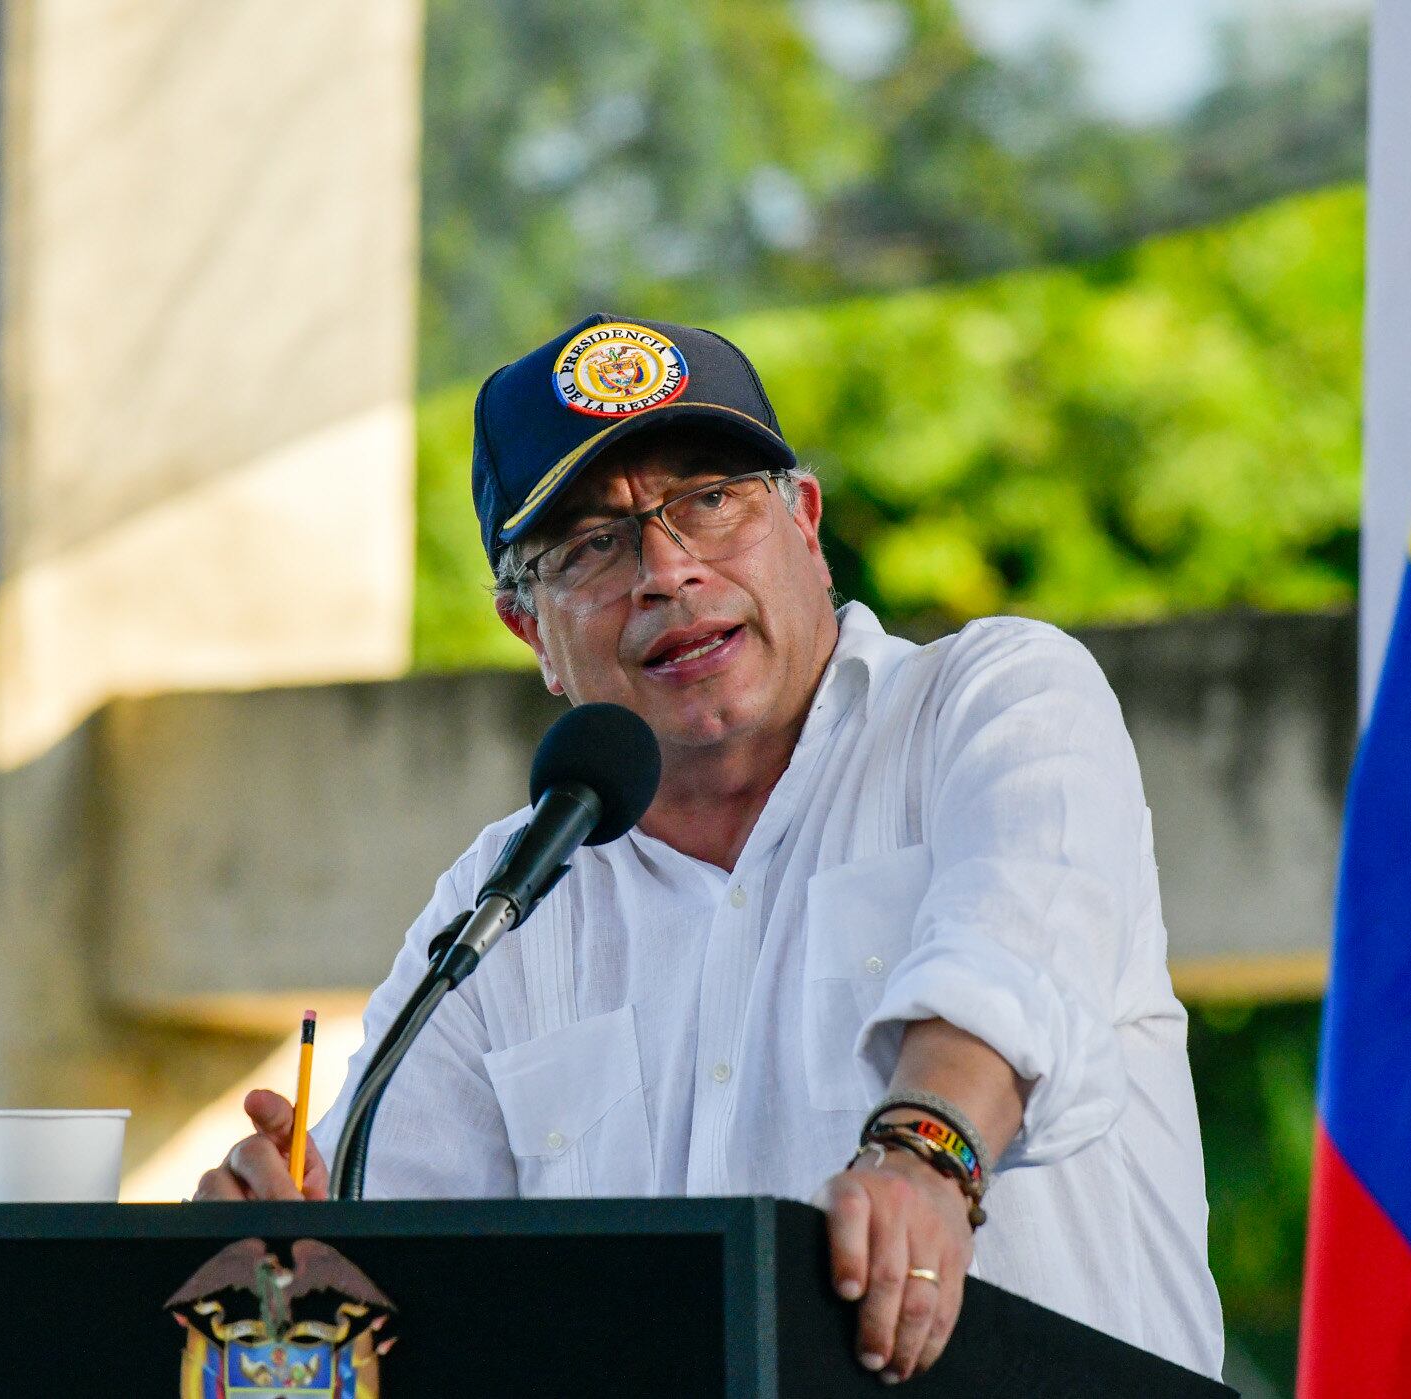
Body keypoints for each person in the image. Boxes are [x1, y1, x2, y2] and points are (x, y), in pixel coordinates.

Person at [194, 315, 1226, 1383]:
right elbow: (389, 1263)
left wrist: (925, 1154)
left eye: (708, 500)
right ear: (528, 632)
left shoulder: (992, 700)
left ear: (806, 526)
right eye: (591, 544)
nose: (666, 570)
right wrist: (278, 1250)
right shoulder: (504, 901)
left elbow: (1013, 955)